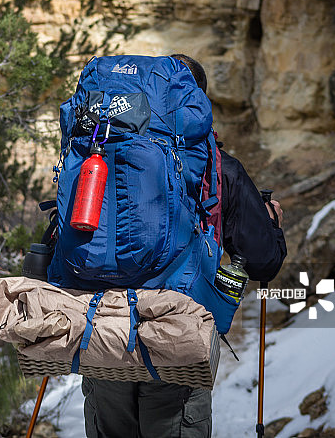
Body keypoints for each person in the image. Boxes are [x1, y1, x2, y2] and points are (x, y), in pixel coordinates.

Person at [80, 54, 287, 437]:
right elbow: (261, 263)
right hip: (176, 331)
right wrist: (272, 225)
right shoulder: (218, 168)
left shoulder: (96, 153)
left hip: (102, 328)